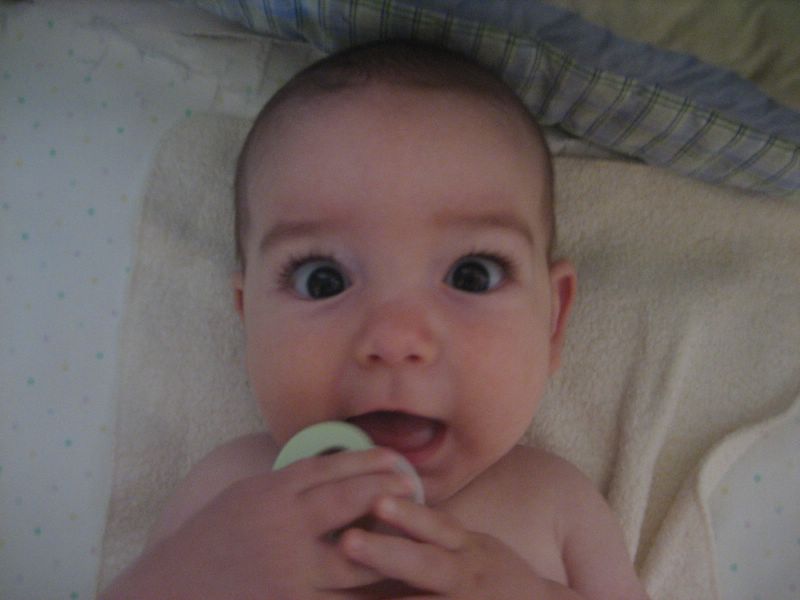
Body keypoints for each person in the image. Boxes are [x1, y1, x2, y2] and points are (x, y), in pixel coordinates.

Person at [101, 40, 649, 599]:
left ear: (553, 320)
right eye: (322, 280)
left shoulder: (555, 501)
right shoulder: (230, 494)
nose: (394, 339)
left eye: (472, 275)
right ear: (249, 323)